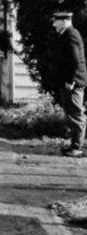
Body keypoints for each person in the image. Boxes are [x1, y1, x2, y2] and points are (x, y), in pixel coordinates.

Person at [49, 11, 87, 157]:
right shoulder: (66, 34)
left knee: (76, 114)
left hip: (73, 82)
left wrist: (71, 81)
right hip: (69, 81)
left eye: (56, 21)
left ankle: (77, 147)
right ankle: (74, 145)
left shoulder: (71, 34)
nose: (53, 24)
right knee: (71, 113)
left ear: (65, 21)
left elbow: (75, 60)